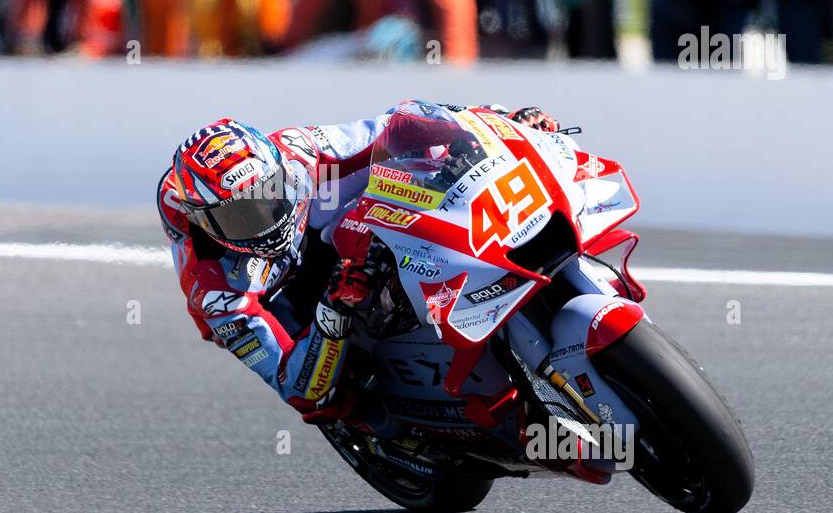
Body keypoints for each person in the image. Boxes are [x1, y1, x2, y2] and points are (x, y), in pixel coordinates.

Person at [158, 101, 560, 424]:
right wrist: (332, 313)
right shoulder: (213, 289)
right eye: (240, 216)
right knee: (328, 404)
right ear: (205, 222)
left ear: (279, 169)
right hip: (282, 295)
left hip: (328, 226)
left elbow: (399, 125)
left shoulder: (300, 153)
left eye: (269, 194)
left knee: (417, 168)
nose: (263, 218)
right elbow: (296, 385)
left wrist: (500, 125)